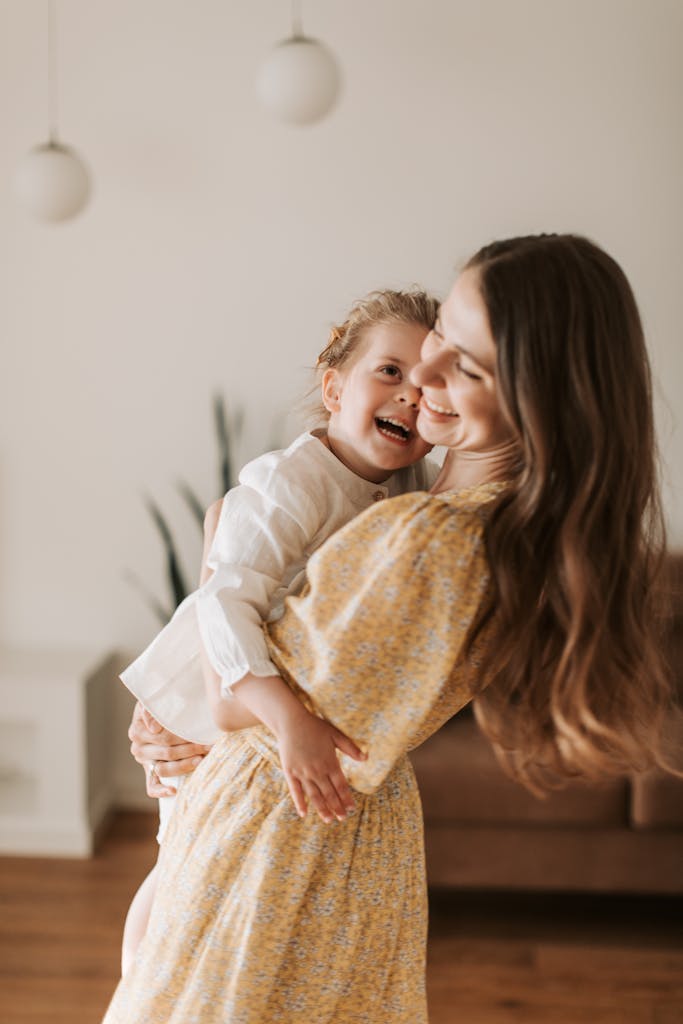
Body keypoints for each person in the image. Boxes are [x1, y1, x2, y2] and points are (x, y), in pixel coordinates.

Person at [110, 234, 675, 1024]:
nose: (426, 380)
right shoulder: (442, 516)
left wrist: (216, 536)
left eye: (466, 367)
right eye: (442, 330)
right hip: (314, 834)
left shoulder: (429, 540)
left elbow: (235, 700)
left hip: (277, 841)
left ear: (534, 398)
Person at [118, 288, 440, 974]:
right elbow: (226, 598)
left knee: (198, 873)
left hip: (248, 703)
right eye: (389, 372)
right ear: (332, 386)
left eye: (426, 383)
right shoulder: (293, 481)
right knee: (182, 866)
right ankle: (138, 992)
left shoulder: (400, 493)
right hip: (208, 696)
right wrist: (288, 720)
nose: (410, 395)